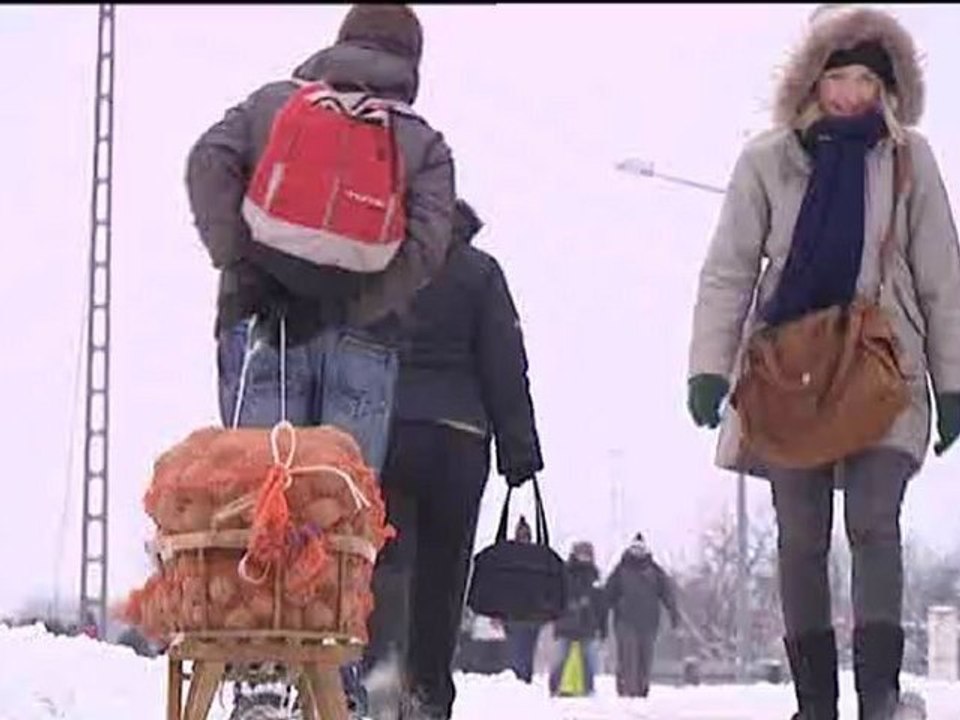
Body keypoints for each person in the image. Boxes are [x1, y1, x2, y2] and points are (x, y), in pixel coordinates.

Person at [686, 6, 960, 719]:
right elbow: (730, 269)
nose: (850, 94)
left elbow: (942, 275)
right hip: (791, 372)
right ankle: (815, 703)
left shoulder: (908, 158)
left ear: (887, 83)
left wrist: (954, 380)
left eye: (866, 78)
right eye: (838, 77)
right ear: (813, 78)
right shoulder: (768, 160)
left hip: (881, 364)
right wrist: (709, 368)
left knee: (874, 520)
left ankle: (878, 697)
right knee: (800, 535)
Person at [185, 5, 455, 718]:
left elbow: (205, 162)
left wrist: (240, 263)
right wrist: (345, 308)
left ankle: (260, 680)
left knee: (257, 502)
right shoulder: (421, 142)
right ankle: (338, 687)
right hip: (367, 343)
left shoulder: (274, 104)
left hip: (262, 327)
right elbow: (427, 248)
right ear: (412, 64)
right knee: (336, 518)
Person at [362, 198, 544, 719]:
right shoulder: (480, 271)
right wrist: (519, 449)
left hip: (388, 434)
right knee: (444, 574)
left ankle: (381, 673)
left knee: (385, 562)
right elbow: (505, 361)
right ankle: (429, 695)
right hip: (459, 441)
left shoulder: (379, 263)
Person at [604, 532, 680, 698]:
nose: (637, 552)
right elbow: (608, 595)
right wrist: (600, 618)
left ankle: (642, 690)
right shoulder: (621, 570)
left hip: (649, 622)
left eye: (640, 549)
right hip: (625, 621)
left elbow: (668, 594)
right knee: (628, 657)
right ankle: (626, 690)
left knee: (645, 657)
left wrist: (674, 614)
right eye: (635, 549)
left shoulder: (655, 571)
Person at [548, 541, 606, 697]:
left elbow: (601, 605)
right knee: (560, 658)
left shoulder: (595, 577)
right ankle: (554, 688)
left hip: (588, 626)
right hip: (566, 624)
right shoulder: (565, 574)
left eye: (587, 554)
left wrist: (602, 627)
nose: (584, 557)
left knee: (589, 660)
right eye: (582, 554)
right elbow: (557, 597)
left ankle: (588, 689)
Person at [503, 516, 544, 684]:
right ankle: (522, 678)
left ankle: (522, 678)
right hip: (525, 611)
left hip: (523, 611)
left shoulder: (509, 556)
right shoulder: (537, 555)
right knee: (522, 649)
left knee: (522, 649)